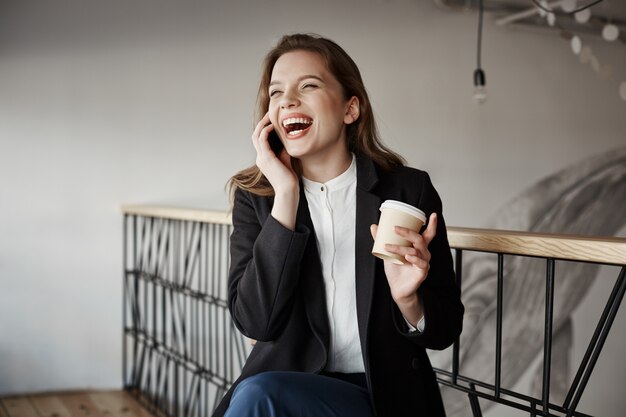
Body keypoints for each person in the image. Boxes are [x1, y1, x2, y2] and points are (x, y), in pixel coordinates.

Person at [214, 33, 464, 417]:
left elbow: (445, 331)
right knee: (258, 395)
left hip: (381, 397)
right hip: (285, 391)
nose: (287, 101)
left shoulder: (407, 189)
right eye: (276, 92)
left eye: (308, 86)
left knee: (257, 396)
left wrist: (409, 299)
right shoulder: (258, 197)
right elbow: (255, 322)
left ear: (351, 109)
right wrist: (285, 194)